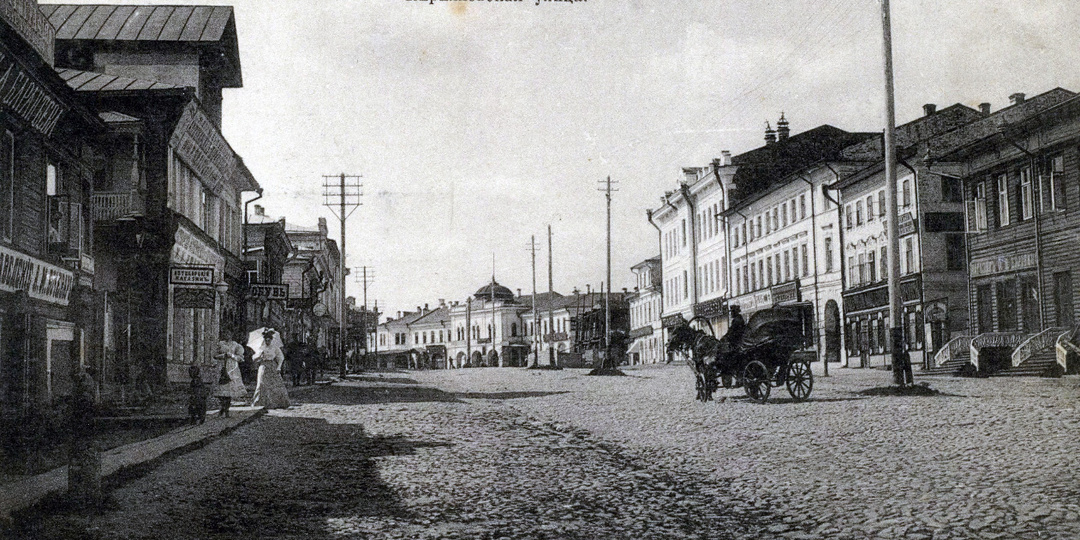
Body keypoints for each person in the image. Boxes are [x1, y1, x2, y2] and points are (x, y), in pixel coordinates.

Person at [250, 328, 290, 409]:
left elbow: (281, 358)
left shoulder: (275, 348)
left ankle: (277, 403)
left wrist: (279, 367)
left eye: (269, 340)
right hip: (263, 366)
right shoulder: (261, 348)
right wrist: (259, 356)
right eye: (266, 340)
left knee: (275, 384)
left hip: (272, 366)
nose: (267, 342)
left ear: (271, 340)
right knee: (261, 383)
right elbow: (254, 358)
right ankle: (260, 402)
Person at [213, 340, 247, 416]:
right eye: (225, 333)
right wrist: (223, 355)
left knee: (229, 390)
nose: (227, 335)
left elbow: (241, 358)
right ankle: (222, 406)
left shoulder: (236, 345)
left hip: (232, 368)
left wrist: (232, 355)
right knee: (221, 389)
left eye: (229, 333)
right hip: (221, 367)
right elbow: (214, 355)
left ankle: (227, 409)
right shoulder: (220, 344)